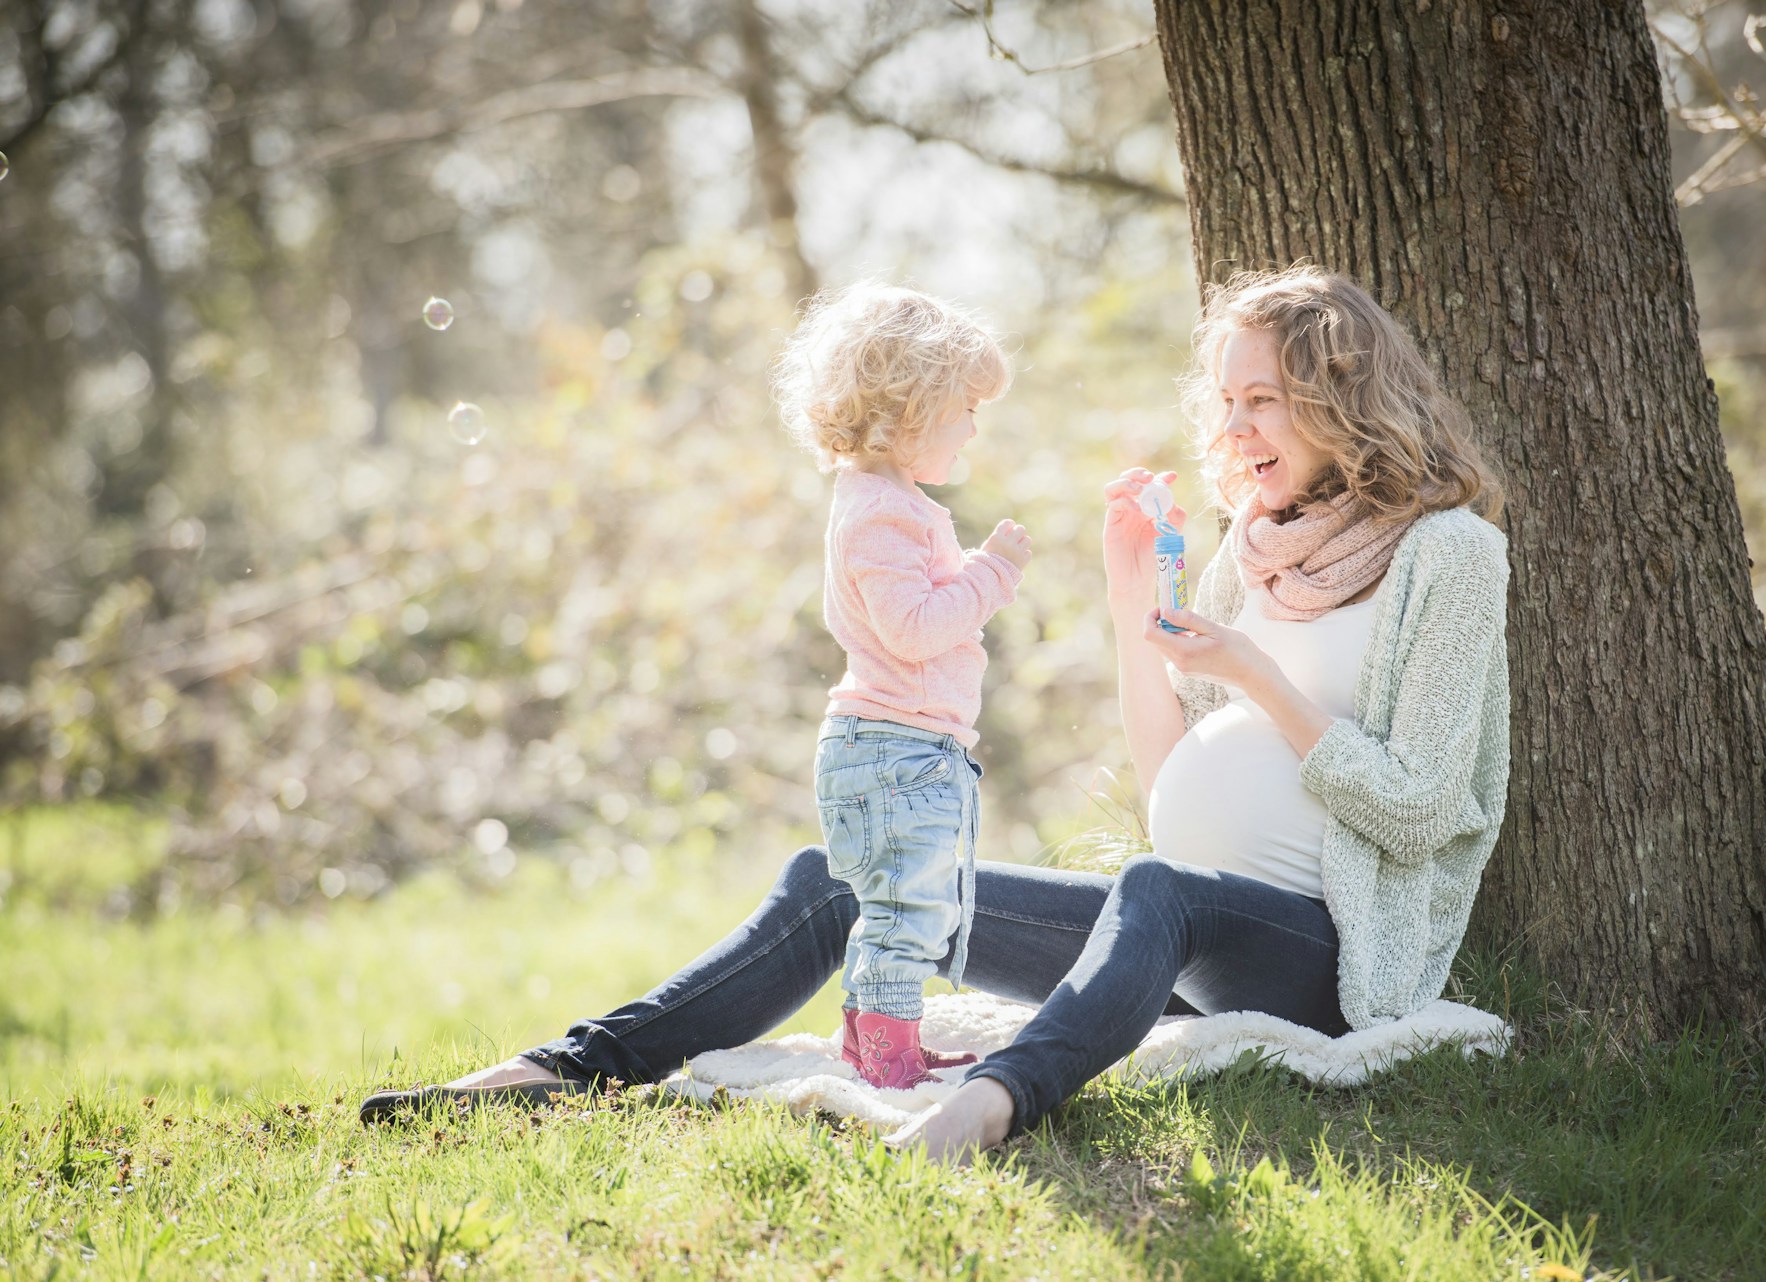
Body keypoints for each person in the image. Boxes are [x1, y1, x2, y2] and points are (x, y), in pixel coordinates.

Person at [360, 264, 1510, 1170]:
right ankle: (569, 1068)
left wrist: (1256, 673)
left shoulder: (1447, 555)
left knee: (1153, 891)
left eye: (1266, 398)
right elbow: (1172, 788)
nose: (1238, 426)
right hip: (1166, 939)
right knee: (850, 873)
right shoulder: (1248, 552)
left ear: (1339, 396)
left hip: (1320, 954)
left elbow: (1420, 812)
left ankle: (993, 1103)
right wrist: (1128, 605)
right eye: (1229, 399)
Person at [776, 284, 1033, 1088]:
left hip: (897, 744)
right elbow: (915, 627)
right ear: (908, 409)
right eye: (964, 407)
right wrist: (992, 575)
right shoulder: (883, 512)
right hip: (897, 746)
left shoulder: (884, 503)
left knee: (895, 902)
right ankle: (889, 1060)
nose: (973, 427)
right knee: (907, 909)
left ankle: (876, 1044)